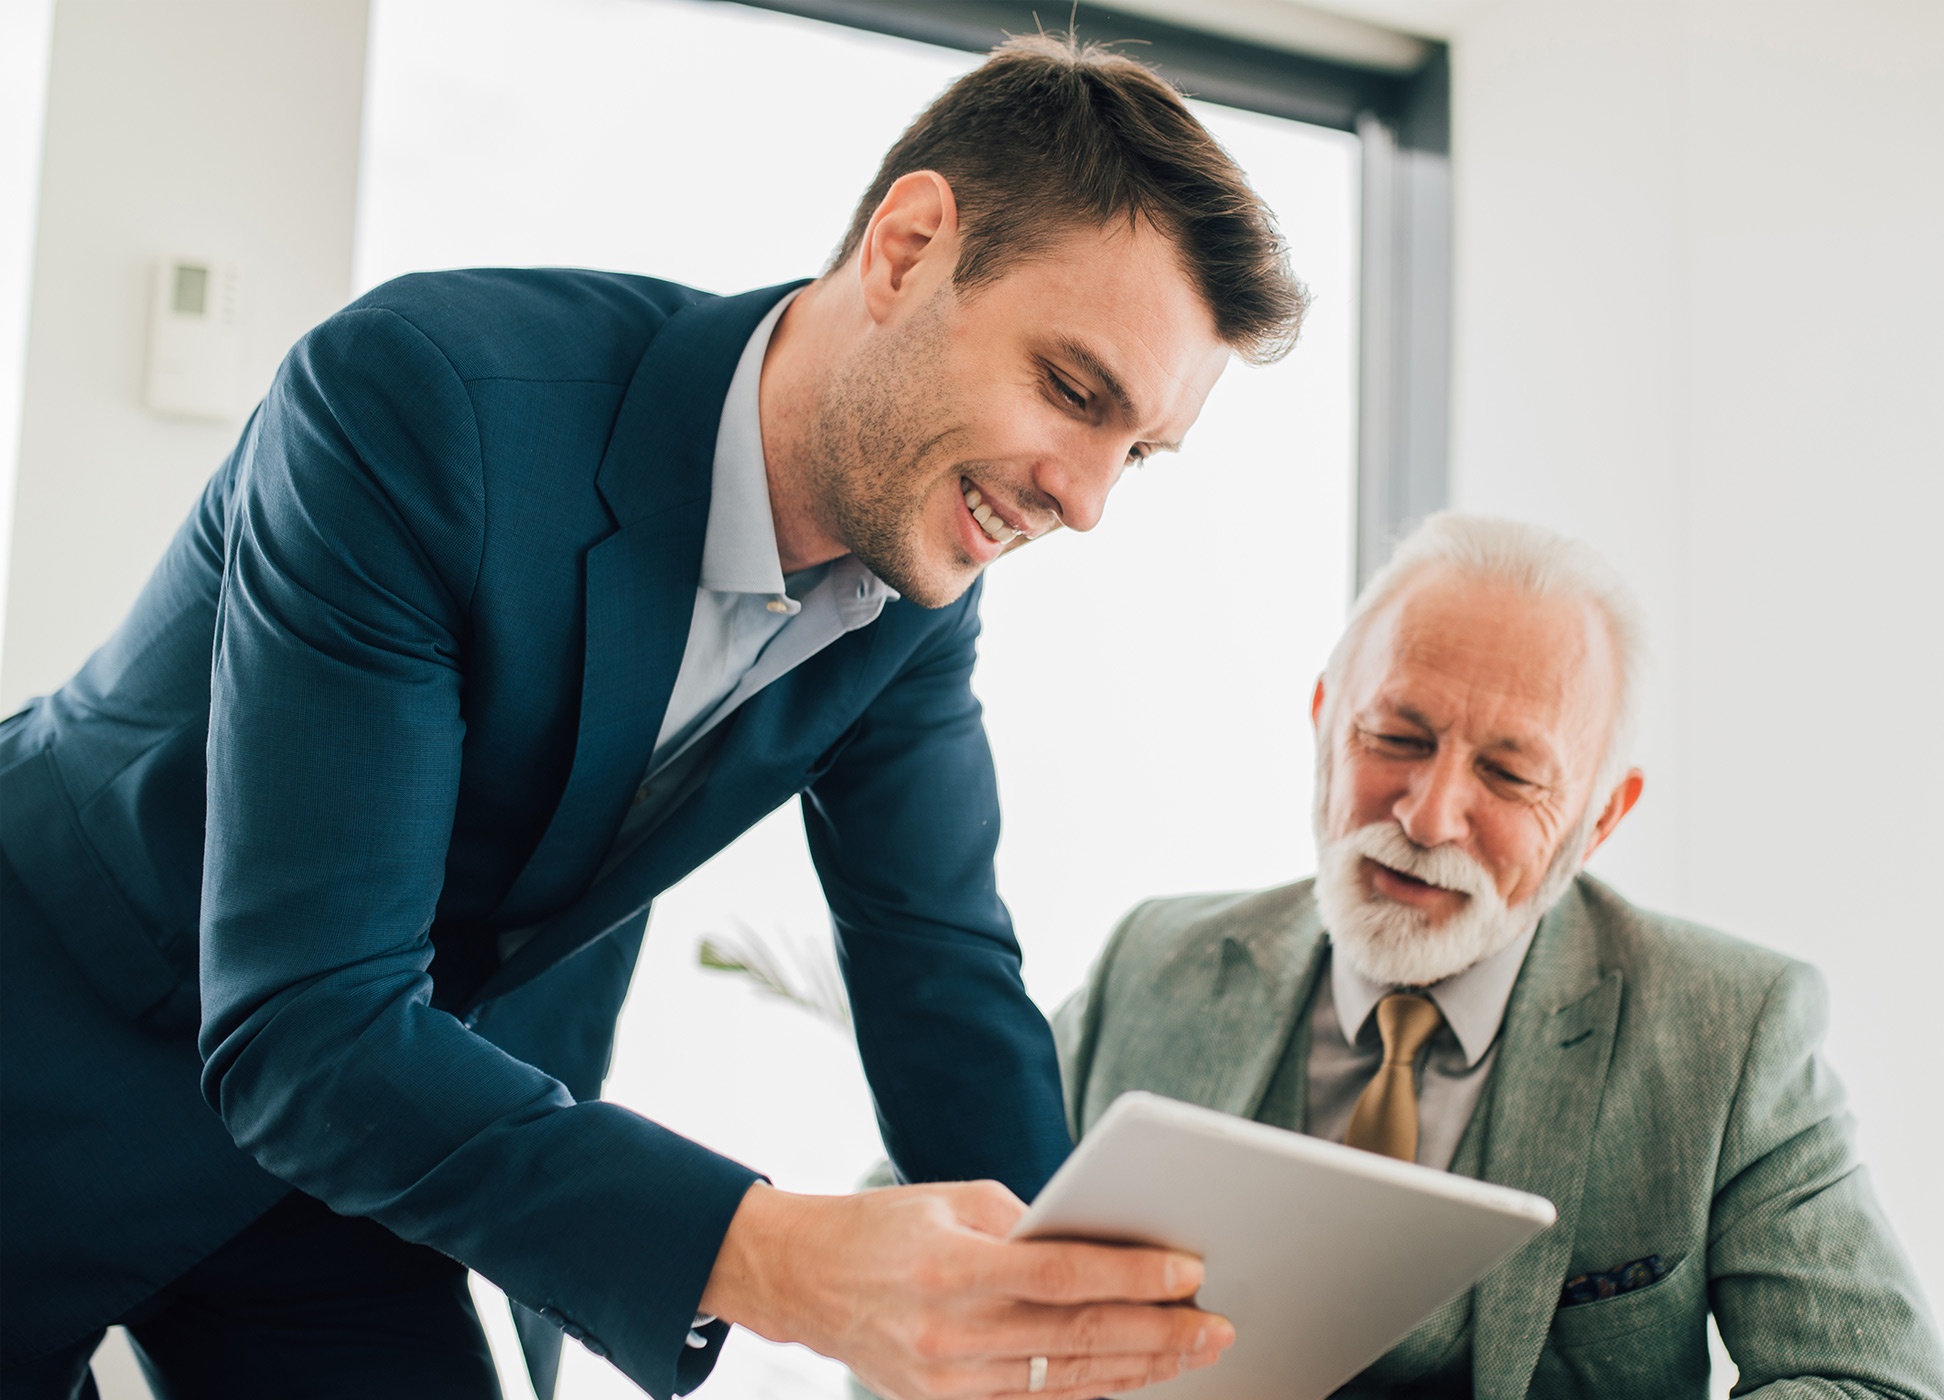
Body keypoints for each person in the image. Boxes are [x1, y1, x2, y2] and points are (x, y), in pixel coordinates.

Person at [0, 34, 1307, 1400]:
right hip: (63, 1055)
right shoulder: (421, 399)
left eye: (1136, 453)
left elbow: (939, 971)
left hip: (359, 1157)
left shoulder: (914, 585)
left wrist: (1078, 1322)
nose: (1086, 500)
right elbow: (307, 1022)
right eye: (1073, 391)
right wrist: (784, 1255)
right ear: (909, 246)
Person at [1054, 514, 1944, 1396]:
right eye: (1397, 738)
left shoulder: (1732, 1031)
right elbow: (932, 1206)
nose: (1429, 816)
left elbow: (1874, 1384)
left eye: (1511, 776)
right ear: (1325, 722)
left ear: (1599, 820)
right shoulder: (1152, 964)